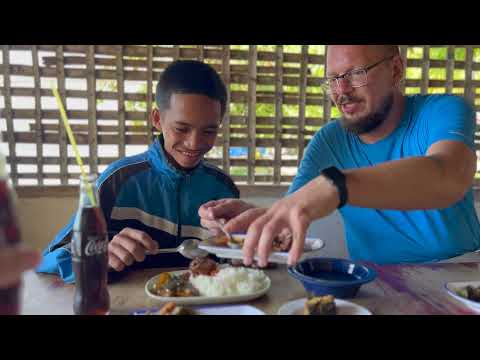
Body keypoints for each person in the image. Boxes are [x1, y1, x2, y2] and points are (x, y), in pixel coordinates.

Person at [199, 45, 480, 268]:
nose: (341, 92)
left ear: (395, 69)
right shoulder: (329, 141)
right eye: (333, 79)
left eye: (356, 73)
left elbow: (450, 176)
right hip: (371, 286)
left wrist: (336, 186)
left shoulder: (442, 111)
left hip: (459, 277)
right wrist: (256, 219)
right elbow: (291, 216)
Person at [37, 60, 239, 283]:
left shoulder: (223, 188)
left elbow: (236, 261)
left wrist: (243, 251)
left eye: (209, 131)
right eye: (181, 128)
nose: (194, 143)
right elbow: (49, 259)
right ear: (157, 119)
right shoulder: (117, 181)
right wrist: (97, 259)